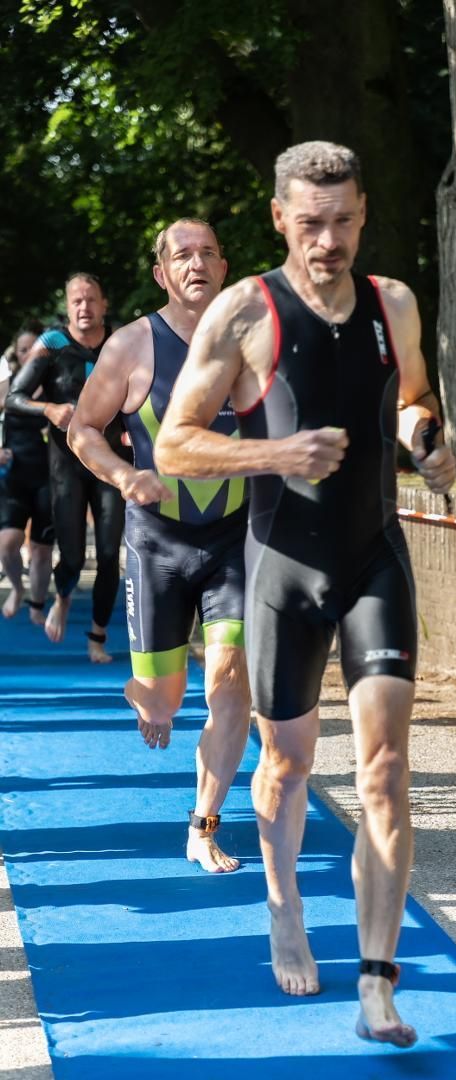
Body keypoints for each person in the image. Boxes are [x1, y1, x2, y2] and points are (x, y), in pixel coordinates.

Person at [154, 143, 456, 1044]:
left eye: (344, 221)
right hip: (281, 566)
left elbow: (410, 395)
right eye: (310, 222)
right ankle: (283, 903)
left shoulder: (391, 301)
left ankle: (376, 980)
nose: (328, 240)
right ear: (280, 219)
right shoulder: (245, 311)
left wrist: (423, 440)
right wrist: (273, 454)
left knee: (388, 773)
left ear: (363, 214)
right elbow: (174, 444)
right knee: (286, 765)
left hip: (373, 558)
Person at [67, 219, 251, 873]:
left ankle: (202, 823)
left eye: (207, 252)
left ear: (223, 268)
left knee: (230, 681)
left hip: (234, 541)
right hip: (158, 546)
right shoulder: (131, 346)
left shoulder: (256, 344)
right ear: (161, 274)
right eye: (182, 255)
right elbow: (83, 429)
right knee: (165, 698)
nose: (195, 263)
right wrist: (120, 474)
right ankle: (151, 695)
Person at [5, 274, 128, 662]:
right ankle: (61, 596)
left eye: (91, 300)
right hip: (66, 464)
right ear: (67, 306)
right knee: (72, 555)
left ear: (104, 304)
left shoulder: (123, 341)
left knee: (109, 554)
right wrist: (51, 409)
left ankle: (97, 636)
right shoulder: (53, 344)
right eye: (76, 301)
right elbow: (14, 398)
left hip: (111, 463)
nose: (84, 308)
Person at [0, 322, 55, 622]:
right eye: (23, 350)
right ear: (17, 354)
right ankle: (17, 588)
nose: (29, 355)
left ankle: (36, 603)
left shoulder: (55, 386)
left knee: (42, 550)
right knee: (7, 543)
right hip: (14, 476)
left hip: (48, 476)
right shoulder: (7, 387)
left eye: (34, 349)